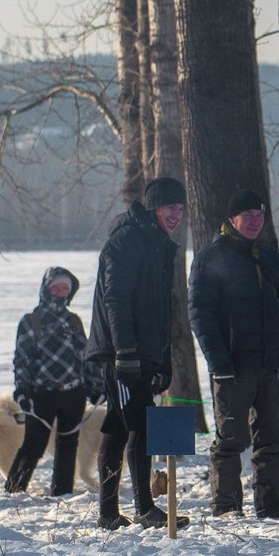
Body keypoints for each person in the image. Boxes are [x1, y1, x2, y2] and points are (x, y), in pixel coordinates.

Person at [189, 190, 279, 520]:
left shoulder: (269, 258)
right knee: (230, 438)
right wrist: (218, 361)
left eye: (260, 216)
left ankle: (274, 505)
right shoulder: (210, 257)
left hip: (269, 364)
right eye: (248, 216)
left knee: (272, 437)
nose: (255, 222)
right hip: (232, 366)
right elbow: (200, 313)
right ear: (231, 220)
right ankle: (226, 506)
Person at [89, 177, 186, 529]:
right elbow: (115, 299)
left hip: (142, 352)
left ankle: (107, 513)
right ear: (153, 207)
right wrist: (125, 352)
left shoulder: (159, 244)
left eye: (180, 208)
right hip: (121, 353)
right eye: (169, 207)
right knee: (142, 423)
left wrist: (162, 360)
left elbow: (160, 311)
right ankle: (145, 508)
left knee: (118, 427)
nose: (175, 215)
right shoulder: (128, 239)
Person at [6, 267, 103, 496]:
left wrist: (95, 386)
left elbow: (85, 356)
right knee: (33, 445)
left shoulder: (74, 321)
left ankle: (62, 492)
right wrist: (22, 390)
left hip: (73, 393)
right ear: (46, 289)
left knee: (68, 445)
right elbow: (22, 359)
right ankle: (13, 491)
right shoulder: (31, 321)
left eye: (64, 289)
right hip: (41, 394)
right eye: (55, 287)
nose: (60, 292)